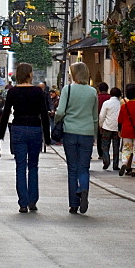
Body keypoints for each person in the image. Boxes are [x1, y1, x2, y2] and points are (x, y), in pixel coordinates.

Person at [0, 62, 51, 212]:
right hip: (35, 127)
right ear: (29, 74)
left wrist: (1, 133)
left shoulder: (13, 92)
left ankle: (23, 202)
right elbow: (44, 114)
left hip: (18, 128)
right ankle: (32, 200)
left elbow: (6, 113)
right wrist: (47, 137)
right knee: (33, 166)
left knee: (20, 166)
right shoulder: (37, 91)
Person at [54, 61, 98, 214]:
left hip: (70, 132)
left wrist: (56, 121)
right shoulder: (93, 92)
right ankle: (84, 188)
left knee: (72, 168)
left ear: (74, 74)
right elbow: (95, 117)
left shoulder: (68, 89)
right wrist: (95, 135)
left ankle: (74, 203)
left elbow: (60, 112)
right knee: (84, 167)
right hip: (87, 132)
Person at [99, 86, 122, 170]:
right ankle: (115, 165)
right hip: (117, 128)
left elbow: (102, 116)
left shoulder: (106, 103)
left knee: (105, 145)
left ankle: (106, 160)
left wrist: (101, 125)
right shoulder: (121, 104)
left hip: (107, 127)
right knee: (116, 146)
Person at [96, 81, 110, 159]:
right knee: (107, 138)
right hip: (109, 120)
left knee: (99, 137)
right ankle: (106, 153)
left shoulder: (97, 97)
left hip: (99, 119)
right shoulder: (110, 97)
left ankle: (101, 154)